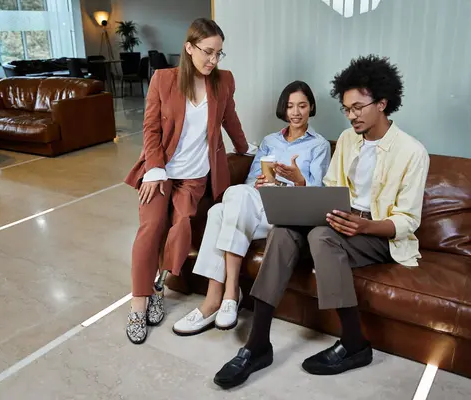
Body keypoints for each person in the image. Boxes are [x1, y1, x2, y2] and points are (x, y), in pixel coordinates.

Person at [213, 54, 430, 389]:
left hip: (378, 233)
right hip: (336, 218)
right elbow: (329, 190)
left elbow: (407, 221)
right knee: (284, 231)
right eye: (346, 108)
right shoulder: (346, 140)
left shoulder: (412, 152)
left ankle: (355, 343)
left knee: (321, 238)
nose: (351, 115)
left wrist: (364, 226)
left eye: (358, 107)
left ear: (383, 103)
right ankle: (257, 345)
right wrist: (301, 186)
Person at [123, 18, 249, 345]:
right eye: (208, 52)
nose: (214, 60)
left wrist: (247, 149)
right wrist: (154, 168)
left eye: (220, 54)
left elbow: (229, 118)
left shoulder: (223, 82)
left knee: (181, 227)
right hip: (161, 173)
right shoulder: (164, 80)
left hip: (195, 177)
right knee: (150, 228)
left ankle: (158, 284)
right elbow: (150, 129)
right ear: (189, 47)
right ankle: (138, 304)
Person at [172, 81, 331, 336]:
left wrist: (298, 180)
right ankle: (217, 299)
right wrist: (261, 182)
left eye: (302, 105)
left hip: (287, 212)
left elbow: (317, 193)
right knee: (222, 207)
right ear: (284, 109)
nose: (296, 112)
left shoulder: (320, 146)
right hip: (257, 204)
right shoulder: (269, 141)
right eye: (290, 106)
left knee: (224, 207)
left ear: (311, 107)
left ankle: (227, 294)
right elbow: (250, 182)